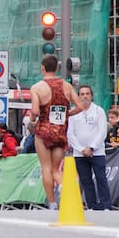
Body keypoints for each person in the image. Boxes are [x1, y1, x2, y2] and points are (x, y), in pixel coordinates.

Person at [28, 54, 82, 209]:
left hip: (44, 131)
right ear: (57, 68)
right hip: (60, 131)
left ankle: (52, 202)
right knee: (55, 168)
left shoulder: (37, 88)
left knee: (45, 167)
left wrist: (32, 117)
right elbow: (80, 106)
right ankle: (68, 187)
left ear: (42, 68)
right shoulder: (67, 86)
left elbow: (35, 111)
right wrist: (66, 114)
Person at [67, 85, 111, 210]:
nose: (85, 96)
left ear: (91, 96)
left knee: (101, 178)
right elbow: (70, 133)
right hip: (79, 153)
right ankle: (92, 205)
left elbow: (102, 131)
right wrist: (81, 149)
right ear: (78, 96)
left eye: (87, 94)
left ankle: (105, 205)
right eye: (82, 94)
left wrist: (91, 148)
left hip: (97, 152)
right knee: (85, 181)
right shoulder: (73, 113)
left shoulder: (99, 111)